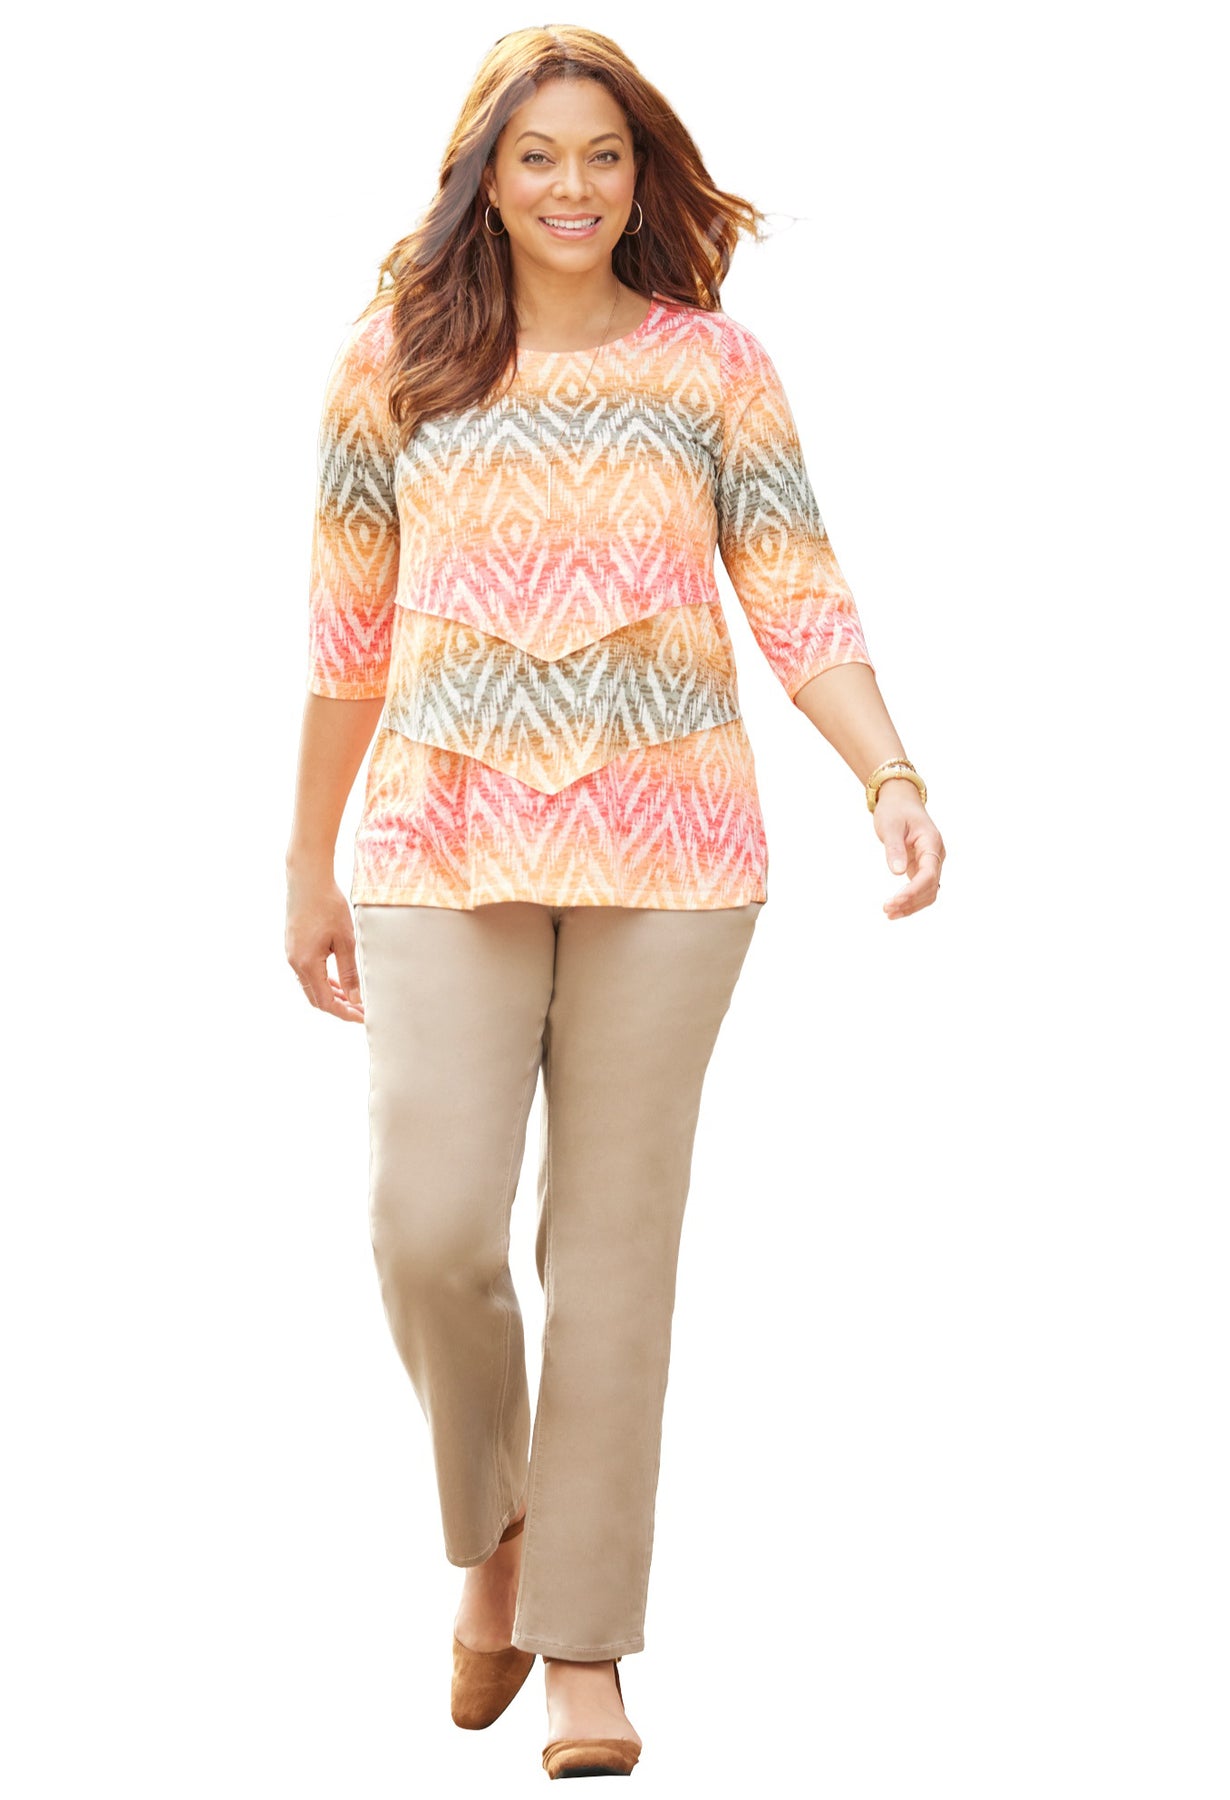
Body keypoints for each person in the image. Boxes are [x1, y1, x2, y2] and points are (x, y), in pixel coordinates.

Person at [285, 24, 945, 1782]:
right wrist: (303, 862)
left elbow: (796, 585)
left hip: (675, 853)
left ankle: (584, 1645)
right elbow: (346, 634)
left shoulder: (714, 367)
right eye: (538, 157)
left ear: (641, 173)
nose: (573, 187)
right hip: (439, 839)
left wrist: (888, 772)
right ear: (483, 179)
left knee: (613, 1253)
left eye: (603, 155)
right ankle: (494, 1533)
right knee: (429, 1231)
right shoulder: (393, 364)